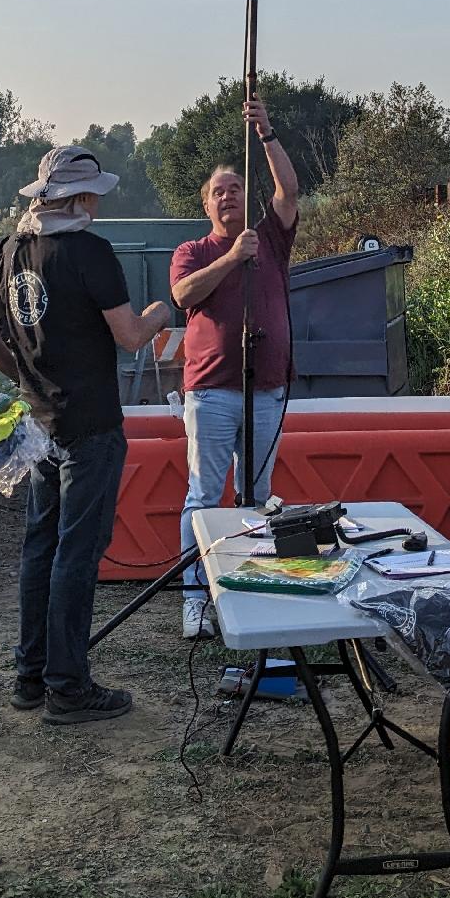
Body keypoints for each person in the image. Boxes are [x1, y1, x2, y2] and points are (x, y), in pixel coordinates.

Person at [0, 146, 171, 725]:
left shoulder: (12, 247)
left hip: (40, 421)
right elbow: (130, 335)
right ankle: (69, 688)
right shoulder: (90, 252)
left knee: (41, 548)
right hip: (90, 423)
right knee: (76, 555)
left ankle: (30, 675)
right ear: (80, 199)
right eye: (95, 196)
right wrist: (161, 311)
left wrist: (23, 377)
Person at [170, 98, 298, 638]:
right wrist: (230, 258)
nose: (228, 197)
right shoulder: (194, 250)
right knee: (203, 496)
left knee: (256, 496)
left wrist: (266, 133)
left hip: (266, 390)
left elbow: (289, 191)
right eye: (218, 192)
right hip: (212, 392)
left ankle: (249, 591)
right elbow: (183, 295)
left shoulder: (270, 237)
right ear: (207, 204)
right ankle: (195, 601)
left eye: (236, 188)